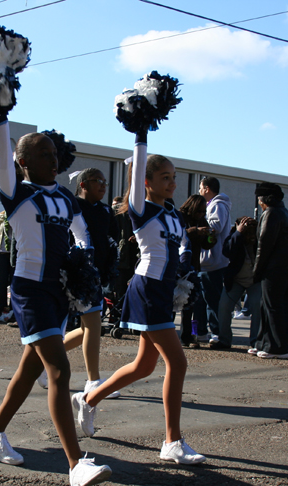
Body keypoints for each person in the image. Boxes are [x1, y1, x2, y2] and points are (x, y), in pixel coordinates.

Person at [0, 112, 111, 486]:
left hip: (59, 290)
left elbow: (81, 231)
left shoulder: (64, 197)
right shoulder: (15, 190)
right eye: (42, 154)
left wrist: (82, 254)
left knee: (26, 374)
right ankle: (75, 464)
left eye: (53, 153)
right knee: (59, 372)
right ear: (23, 163)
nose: (52, 160)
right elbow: (0, 152)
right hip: (29, 289)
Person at [71, 140, 206, 466]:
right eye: (164, 177)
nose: (172, 183)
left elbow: (182, 244)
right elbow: (136, 174)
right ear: (145, 182)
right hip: (147, 290)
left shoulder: (172, 213)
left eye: (173, 177)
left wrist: (185, 263)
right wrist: (142, 133)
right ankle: (172, 441)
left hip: (162, 290)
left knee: (145, 365)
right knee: (178, 363)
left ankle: (89, 398)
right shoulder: (141, 209)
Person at [57, 168, 120, 396]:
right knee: (92, 327)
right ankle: (94, 382)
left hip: (97, 276)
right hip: (76, 274)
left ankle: (41, 357)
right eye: (98, 181)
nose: (103, 186)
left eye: (105, 181)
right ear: (83, 184)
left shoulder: (105, 210)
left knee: (88, 330)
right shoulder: (71, 206)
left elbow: (110, 240)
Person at [250, 182, 288, 359]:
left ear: (264, 198)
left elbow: (264, 244)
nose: (258, 202)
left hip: (275, 266)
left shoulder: (271, 213)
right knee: (267, 305)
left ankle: (277, 348)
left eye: (259, 198)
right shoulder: (285, 213)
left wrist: (257, 270)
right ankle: (262, 343)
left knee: (272, 306)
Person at [198, 177, 232, 349]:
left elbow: (215, 227)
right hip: (211, 260)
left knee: (213, 299)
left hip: (214, 260)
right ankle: (205, 331)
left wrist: (199, 224)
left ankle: (217, 333)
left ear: (207, 188)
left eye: (200, 187)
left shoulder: (217, 205)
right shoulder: (216, 204)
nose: (199, 191)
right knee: (205, 298)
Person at [178, 194, 214, 348]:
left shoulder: (201, 221)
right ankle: (168, 336)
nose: (201, 214)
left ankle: (186, 337)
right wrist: (195, 231)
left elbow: (207, 245)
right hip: (178, 264)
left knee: (189, 303)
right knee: (173, 301)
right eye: (199, 211)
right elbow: (179, 234)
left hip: (193, 266)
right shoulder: (179, 216)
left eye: (203, 212)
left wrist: (210, 237)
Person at [220, 216, 261, 350]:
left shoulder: (260, 238)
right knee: (224, 307)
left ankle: (256, 341)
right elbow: (227, 251)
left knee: (258, 309)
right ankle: (224, 340)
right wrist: (238, 233)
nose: (249, 232)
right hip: (236, 280)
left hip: (255, 280)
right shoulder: (234, 236)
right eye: (246, 228)